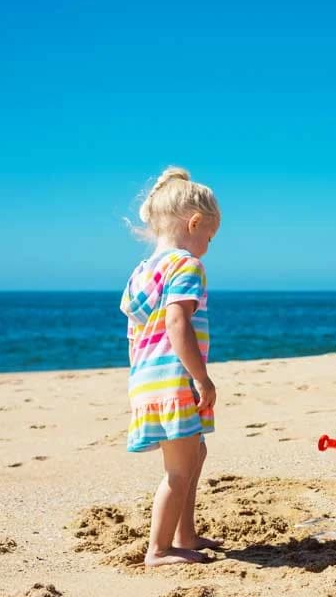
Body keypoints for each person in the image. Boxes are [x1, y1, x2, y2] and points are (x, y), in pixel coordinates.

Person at [120, 166, 223, 566]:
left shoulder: (141, 272)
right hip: (175, 380)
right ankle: (159, 550)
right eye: (209, 237)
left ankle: (186, 535)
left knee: (195, 453)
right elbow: (176, 322)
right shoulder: (186, 265)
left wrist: (140, 381)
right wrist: (202, 377)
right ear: (194, 223)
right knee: (178, 471)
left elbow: (134, 334)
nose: (208, 246)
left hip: (147, 380)